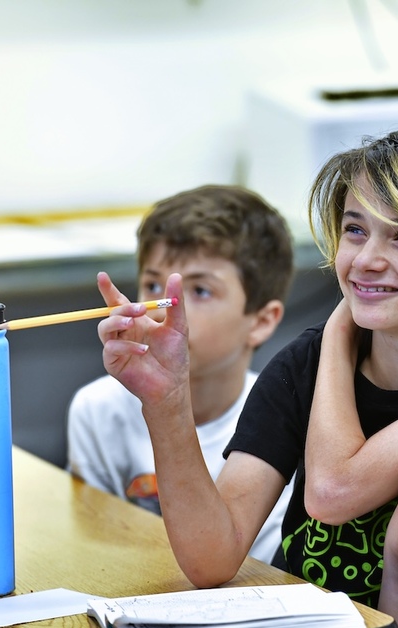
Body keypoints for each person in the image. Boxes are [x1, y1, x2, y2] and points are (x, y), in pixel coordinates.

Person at [93, 119, 398, 628]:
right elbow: (210, 558)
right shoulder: (305, 364)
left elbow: (332, 494)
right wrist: (167, 399)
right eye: (355, 229)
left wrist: (337, 331)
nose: (364, 260)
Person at [66, 184, 295, 565]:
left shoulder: (287, 425)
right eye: (153, 286)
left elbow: (259, 574)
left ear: (262, 320)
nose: (164, 309)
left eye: (201, 291)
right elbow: (95, 557)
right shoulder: (96, 409)